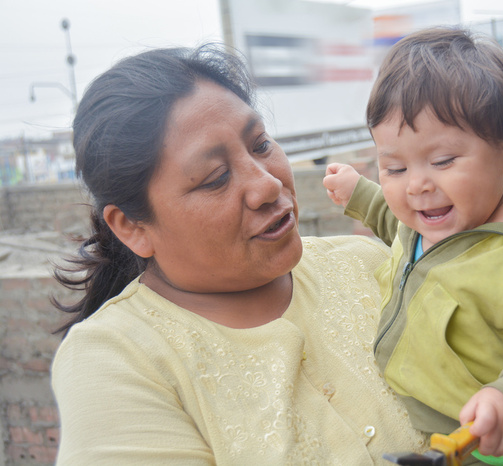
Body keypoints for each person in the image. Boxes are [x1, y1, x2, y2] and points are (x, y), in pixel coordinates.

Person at [50, 44, 430, 465]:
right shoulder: (115, 362)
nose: (267, 183)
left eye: (261, 144)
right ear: (132, 227)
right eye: (215, 179)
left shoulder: (371, 264)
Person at [323, 27, 503, 465]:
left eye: (442, 161)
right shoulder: (431, 219)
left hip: (490, 441)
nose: (417, 185)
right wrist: (358, 193)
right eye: (394, 167)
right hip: (425, 418)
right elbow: (393, 220)